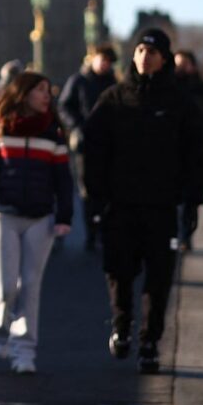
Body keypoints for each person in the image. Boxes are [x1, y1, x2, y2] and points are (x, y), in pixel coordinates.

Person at [83, 28, 203, 374]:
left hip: (161, 206)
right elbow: (93, 150)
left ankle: (150, 342)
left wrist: (193, 202)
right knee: (119, 272)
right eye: (140, 50)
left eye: (152, 52)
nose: (144, 57)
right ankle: (121, 326)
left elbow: (198, 155)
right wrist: (94, 197)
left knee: (159, 278)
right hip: (120, 204)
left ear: (164, 59)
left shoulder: (179, 103)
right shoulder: (114, 99)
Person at [0, 70, 73, 374]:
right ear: (23, 93)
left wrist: (65, 216)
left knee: (31, 285)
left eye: (48, 90)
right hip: (4, 214)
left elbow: (63, 180)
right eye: (40, 90)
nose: (47, 96)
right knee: (5, 288)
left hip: (41, 217)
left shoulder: (52, 133)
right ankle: (1, 325)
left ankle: (24, 351)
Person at [58, 44, 119, 252]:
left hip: (109, 143)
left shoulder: (113, 83)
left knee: (108, 189)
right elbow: (64, 106)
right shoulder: (79, 81)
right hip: (85, 144)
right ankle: (92, 233)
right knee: (88, 190)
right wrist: (77, 126)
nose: (104, 64)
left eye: (108, 61)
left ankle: (103, 230)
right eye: (102, 59)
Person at [172, 50, 203, 251]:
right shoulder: (167, 89)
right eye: (177, 64)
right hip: (172, 149)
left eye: (184, 64)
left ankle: (185, 236)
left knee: (190, 197)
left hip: (195, 150)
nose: (180, 69)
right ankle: (175, 238)